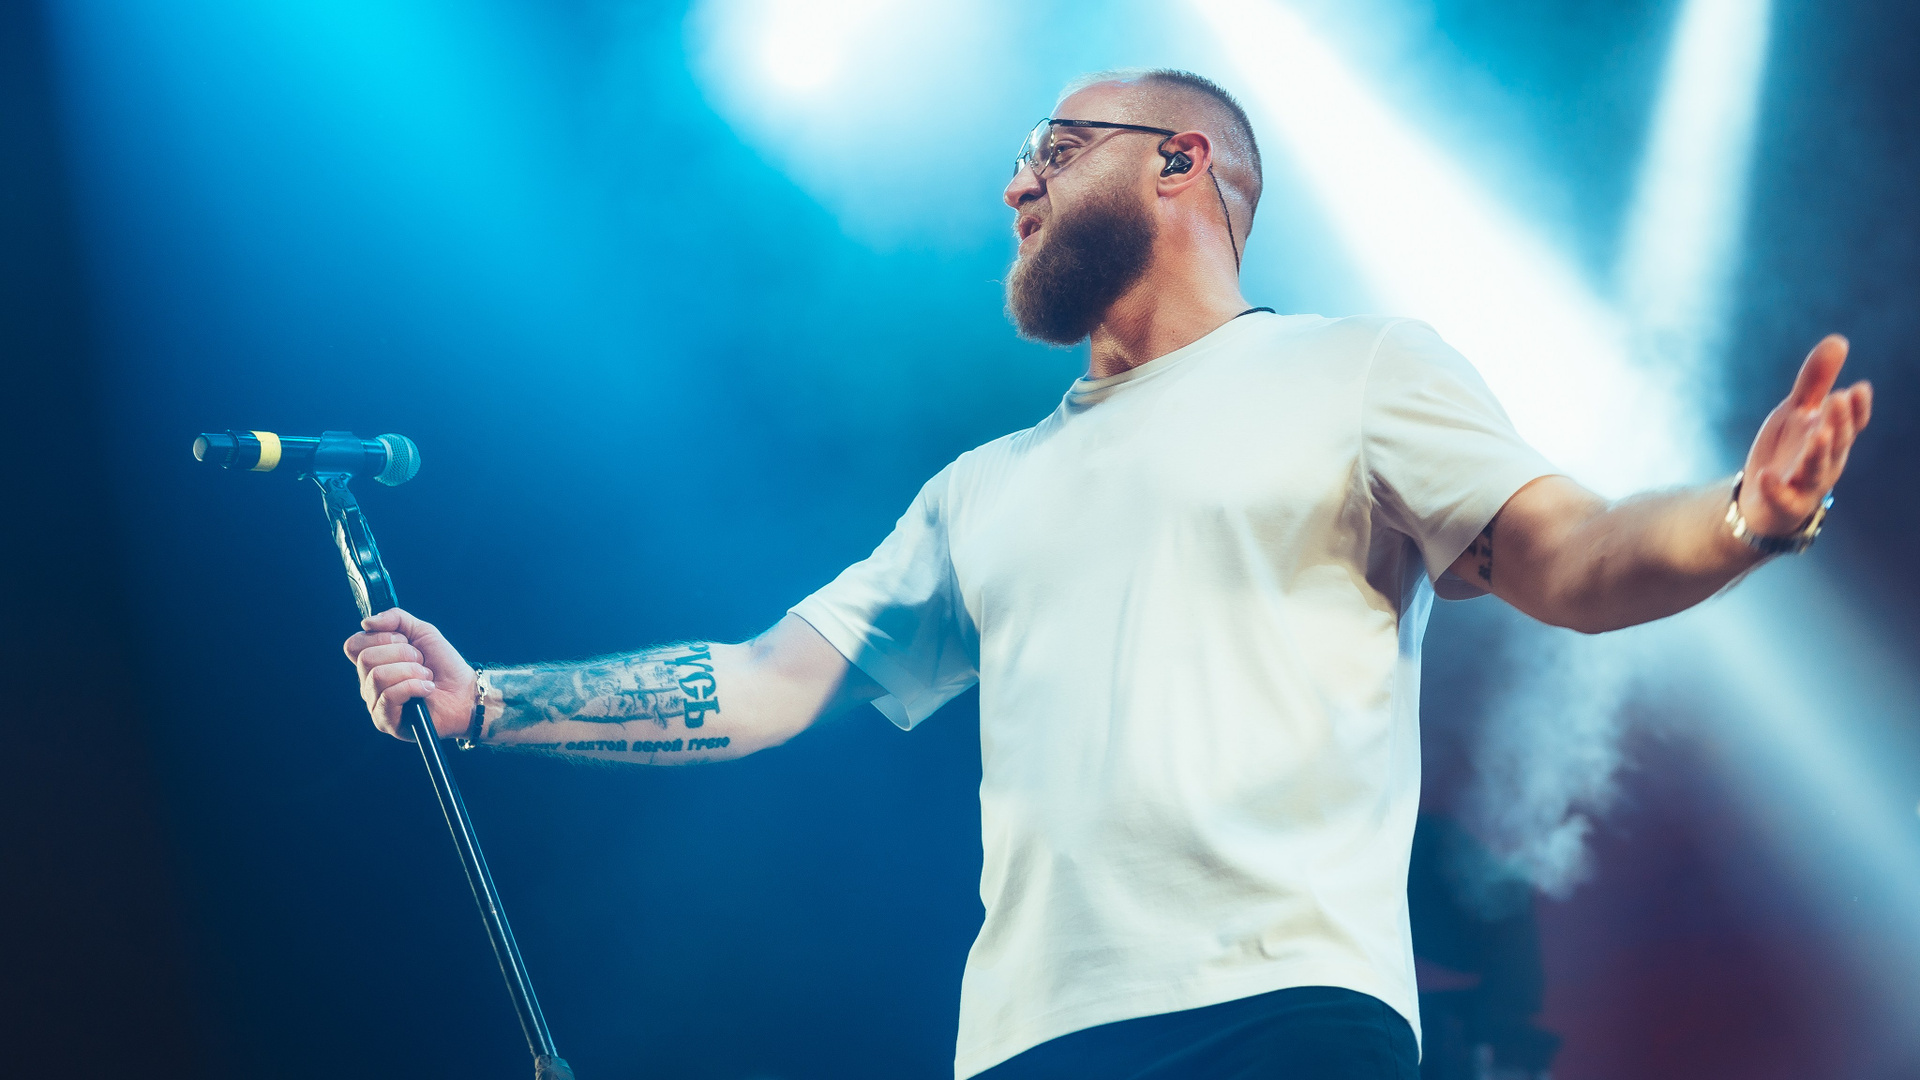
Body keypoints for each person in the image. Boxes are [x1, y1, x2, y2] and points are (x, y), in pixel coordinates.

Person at [344, 70, 1872, 1080]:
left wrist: (1745, 515)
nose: (1016, 188)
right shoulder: (978, 491)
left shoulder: (1356, 371)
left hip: (1284, 1010)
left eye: (1054, 152)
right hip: (1031, 1040)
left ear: (1179, 163)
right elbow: (766, 681)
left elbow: (1570, 553)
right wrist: (493, 702)